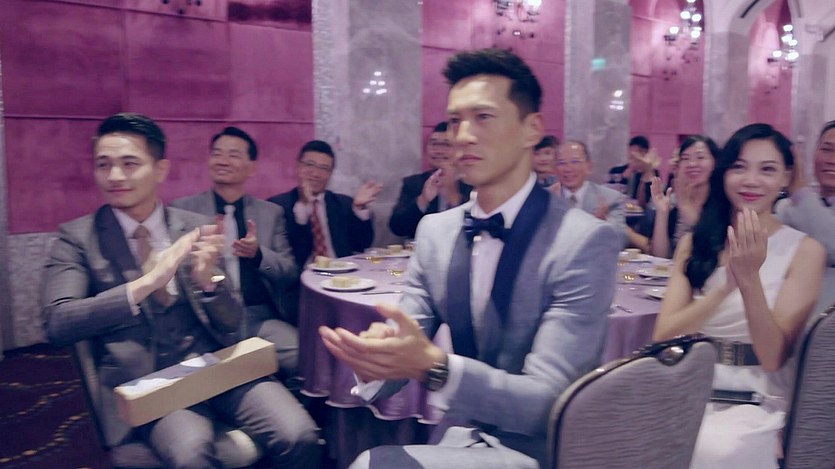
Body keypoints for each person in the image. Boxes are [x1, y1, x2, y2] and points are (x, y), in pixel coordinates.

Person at [320, 48, 620, 468]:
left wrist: (437, 368)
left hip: (543, 449)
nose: (461, 136)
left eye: (483, 117)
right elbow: (409, 333)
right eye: (454, 121)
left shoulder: (583, 240)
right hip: (458, 435)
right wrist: (379, 358)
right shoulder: (436, 231)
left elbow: (549, 404)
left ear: (532, 129)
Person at [42, 113, 320, 468]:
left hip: (216, 365)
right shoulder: (78, 238)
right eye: (103, 164)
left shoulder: (194, 227)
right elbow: (58, 322)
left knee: (300, 434)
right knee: (193, 453)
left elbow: (232, 319)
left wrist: (209, 283)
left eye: (129, 164)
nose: (115, 176)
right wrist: (145, 284)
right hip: (152, 381)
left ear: (160, 169)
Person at [652, 123, 825, 469]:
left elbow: (773, 357)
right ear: (724, 173)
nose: (751, 180)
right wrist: (726, 287)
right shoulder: (696, 242)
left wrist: (749, 281)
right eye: (739, 167)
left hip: (755, 396)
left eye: (767, 170)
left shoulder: (806, 251)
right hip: (688, 382)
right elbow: (664, 335)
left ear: (785, 177)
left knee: (711, 451)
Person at [171, 126, 300, 375]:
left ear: (252, 167)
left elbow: (289, 272)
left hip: (257, 316)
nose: (223, 160)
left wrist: (258, 254)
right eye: (217, 153)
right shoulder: (183, 210)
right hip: (205, 318)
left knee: (304, 354)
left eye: (233, 155)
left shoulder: (270, 213)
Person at [268, 140, 380, 269]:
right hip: (300, 277)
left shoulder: (343, 204)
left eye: (324, 168)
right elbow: (288, 256)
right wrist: (304, 206)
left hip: (341, 273)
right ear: (298, 166)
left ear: (331, 173)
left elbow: (362, 245)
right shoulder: (277, 206)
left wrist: (359, 209)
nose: (316, 174)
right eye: (310, 165)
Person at [389, 122, 473, 238]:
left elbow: (477, 225)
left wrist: (453, 195)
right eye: (434, 144)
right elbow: (397, 228)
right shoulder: (413, 183)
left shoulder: (474, 183)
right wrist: (423, 200)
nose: (439, 151)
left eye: (446, 145)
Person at [646, 135, 720, 258]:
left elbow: (714, 254)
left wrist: (686, 209)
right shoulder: (673, 202)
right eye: (685, 158)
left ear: (715, 162)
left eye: (700, 157)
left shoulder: (723, 205)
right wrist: (662, 213)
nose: (692, 164)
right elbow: (660, 257)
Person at [775, 120, 835, 265]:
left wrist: (799, 190)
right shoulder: (787, 207)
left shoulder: (801, 199)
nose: (832, 160)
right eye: (827, 149)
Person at [553, 140, 627, 246]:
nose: (568, 169)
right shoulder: (545, 198)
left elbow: (621, 240)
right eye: (561, 163)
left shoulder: (609, 197)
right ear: (555, 169)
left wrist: (604, 222)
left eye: (575, 162)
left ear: (589, 167)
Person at [607, 135, 659, 207]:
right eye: (631, 151)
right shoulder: (616, 171)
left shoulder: (652, 173)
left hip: (641, 211)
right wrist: (626, 174)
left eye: (638, 151)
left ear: (645, 154)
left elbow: (646, 201)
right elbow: (610, 194)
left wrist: (646, 173)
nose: (633, 155)